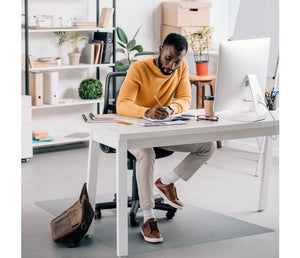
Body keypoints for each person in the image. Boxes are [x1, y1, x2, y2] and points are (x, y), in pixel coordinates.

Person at [116, 33, 215, 243]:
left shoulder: (181, 67)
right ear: (161, 49)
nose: (171, 65)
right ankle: (149, 217)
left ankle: (166, 182)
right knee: (145, 151)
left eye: (177, 61)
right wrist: (146, 112)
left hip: (160, 128)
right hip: (135, 130)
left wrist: (170, 108)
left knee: (208, 145)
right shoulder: (138, 69)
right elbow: (122, 105)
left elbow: (185, 99)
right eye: (168, 58)